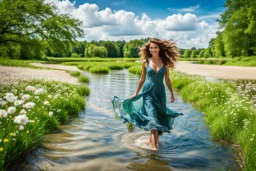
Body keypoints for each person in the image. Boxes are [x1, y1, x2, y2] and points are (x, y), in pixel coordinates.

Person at [111, 38, 182, 151]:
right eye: (151, 48)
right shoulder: (146, 62)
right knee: (153, 121)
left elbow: (167, 80)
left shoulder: (165, 63)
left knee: (157, 119)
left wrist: (172, 94)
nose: (153, 49)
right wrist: (136, 93)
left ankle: (150, 141)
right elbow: (142, 78)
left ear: (159, 49)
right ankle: (154, 151)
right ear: (149, 49)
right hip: (148, 93)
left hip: (160, 93)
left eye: (155, 47)